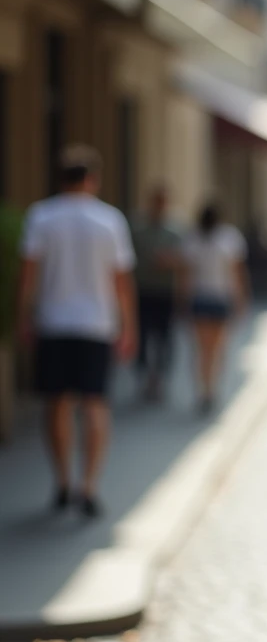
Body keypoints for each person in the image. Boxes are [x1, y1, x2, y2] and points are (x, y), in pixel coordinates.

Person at [16, 144, 137, 518]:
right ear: (93, 179)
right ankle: (89, 485)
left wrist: (23, 316)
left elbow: (28, 276)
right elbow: (121, 280)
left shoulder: (41, 216)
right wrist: (128, 325)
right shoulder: (110, 220)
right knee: (94, 403)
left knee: (57, 403)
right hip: (96, 324)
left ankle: (64, 480)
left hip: (54, 321)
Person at [180, 203, 248, 415]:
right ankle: (210, 389)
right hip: (218, 298)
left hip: (202, 298)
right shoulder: (228, 237)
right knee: (216, 349)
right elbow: (237, 273)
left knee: (203, 350)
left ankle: (205, 389)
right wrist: (241, 300)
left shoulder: (194, 238)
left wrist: (182, 301)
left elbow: (186, 276)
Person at [130, 185, 182, 402]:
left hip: (165, 292)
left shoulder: (176, 231)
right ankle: (144, 377)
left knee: (164, 339)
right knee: (142, 337)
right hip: (143, 290)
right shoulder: (138, 230)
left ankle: (158, 379)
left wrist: (169, 262)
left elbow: (184, 262)